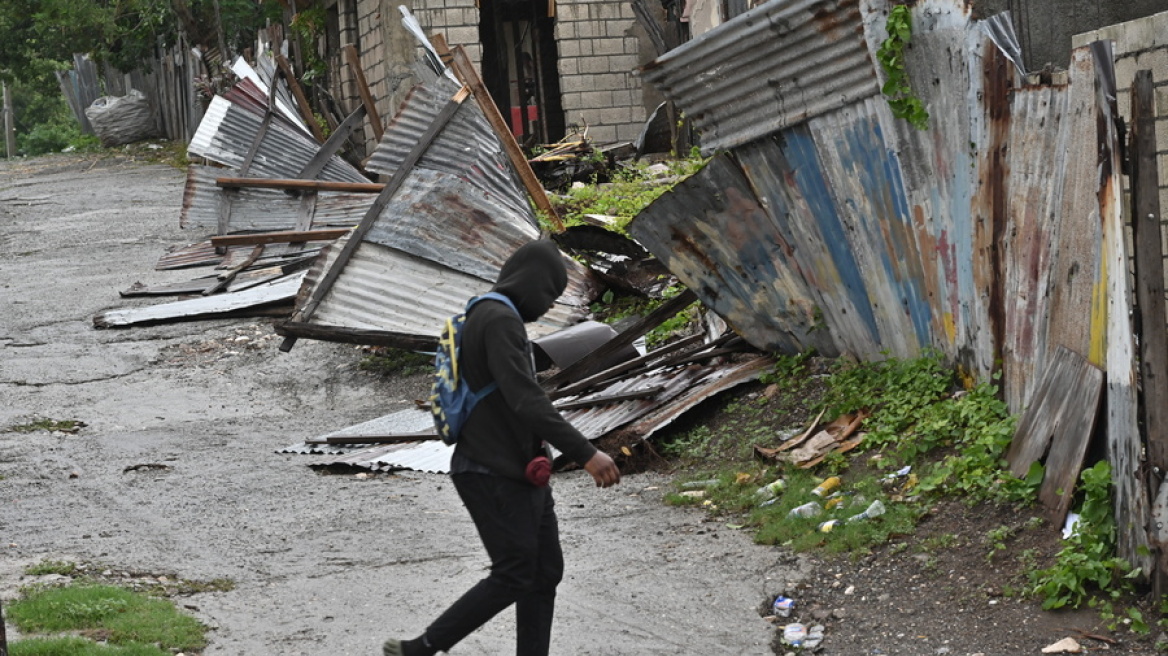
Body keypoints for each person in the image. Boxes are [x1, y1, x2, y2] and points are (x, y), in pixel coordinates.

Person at [383, 240, 621, 656]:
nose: (549, 305)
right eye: (549, 294)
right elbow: (525, 398)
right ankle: (420, 648)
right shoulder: (498, 320)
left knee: (544, 572)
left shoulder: (488, 315)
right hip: (492, 471)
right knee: (515, 572)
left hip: (518, 468)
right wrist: (586, 453)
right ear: (530, 283)